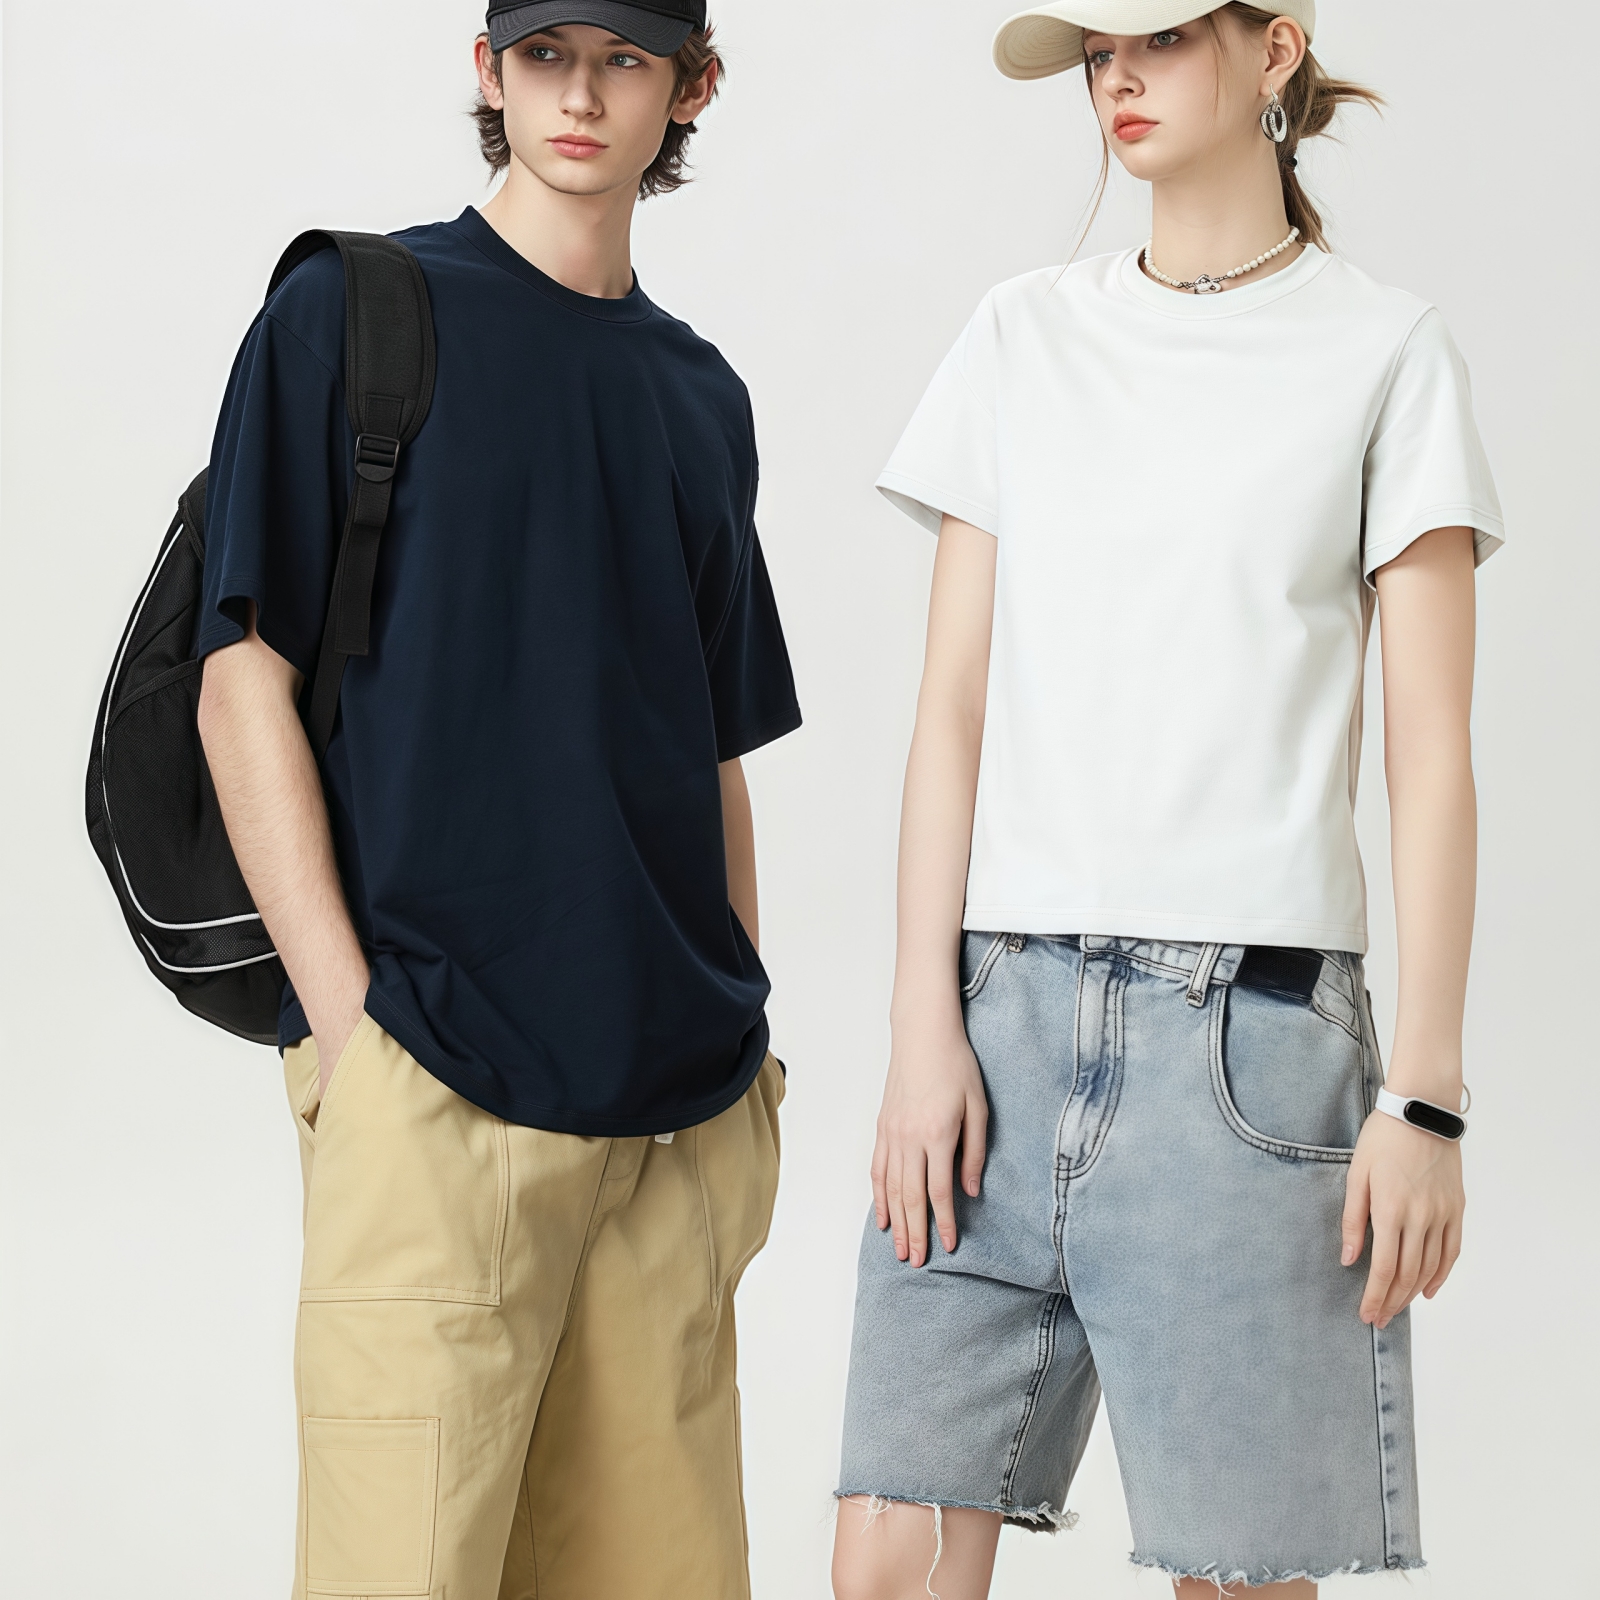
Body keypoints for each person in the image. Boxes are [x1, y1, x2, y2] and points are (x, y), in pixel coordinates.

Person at [830, 4, 1501, 1597]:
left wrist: (1425, 1097)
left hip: (1246, 1052)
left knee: (1239, 1583)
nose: (1117, 76)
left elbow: (1430, 754)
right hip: (998, 1030)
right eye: (1095, 51)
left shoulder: (1386, 350)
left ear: (1276, 49)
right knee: (885, 1558)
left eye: (1163, 36)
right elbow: (950, 710)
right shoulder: (1019, 334)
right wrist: (922, 1032)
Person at [195, 6, 800, 1597]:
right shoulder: (353, 312)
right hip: (433, 1091)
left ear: (693, 87)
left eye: (625, 60)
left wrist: (744, 1043)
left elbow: (712, 748)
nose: (580, 94)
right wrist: (355, 1036)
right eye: (544, 55)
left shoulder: (700, 395)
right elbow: (240, 677)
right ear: (489, 68)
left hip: (672, 1126)